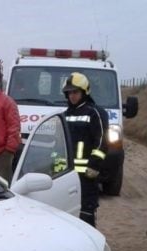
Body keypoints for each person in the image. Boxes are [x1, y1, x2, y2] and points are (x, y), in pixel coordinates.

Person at [63, 72, 108, 227]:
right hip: (67, 173)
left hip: (87, 174)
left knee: (86, 215)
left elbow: (102, 141)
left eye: (75, 92)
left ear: (84, 92)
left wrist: (94, 165)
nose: (72, 96)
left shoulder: (95, 112)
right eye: (69, 93)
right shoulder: (65, 114)